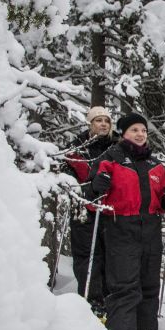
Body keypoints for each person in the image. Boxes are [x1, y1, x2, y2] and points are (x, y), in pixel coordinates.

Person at [88, 113, 165, 330]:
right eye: (134, 129)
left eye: (143, 130)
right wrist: (96, 186)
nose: (140, 134)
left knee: (149, 284)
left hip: (151, 228)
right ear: (123, 132)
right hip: (121, 227)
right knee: (125, 285)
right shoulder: (111, 160)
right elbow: (91, 198)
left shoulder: (156, 165)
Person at [64, 106, 114, 318]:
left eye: (106, 121)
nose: (103, 124)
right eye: (98, 120)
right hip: (84, 210)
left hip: (110, 210)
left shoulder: (118, 147)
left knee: (110, 256)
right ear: (90, 124)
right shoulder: (77, 149)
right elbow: (68, 182)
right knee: (88, 256)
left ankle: (108, 299)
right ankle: (92, 300)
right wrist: (89, 189)